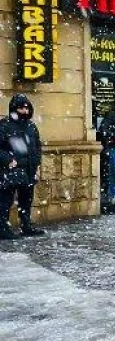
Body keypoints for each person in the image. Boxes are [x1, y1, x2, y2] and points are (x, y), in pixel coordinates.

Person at [0, 94, 44, 239]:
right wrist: (8, 160)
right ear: (14, 108)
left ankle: (26, 225)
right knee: (6, 200)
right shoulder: (5, 125)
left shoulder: (31, 126)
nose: (24, 111)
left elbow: (37, 146)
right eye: (21, 107)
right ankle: (3, 228)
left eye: (26, 108)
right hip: (11, 169)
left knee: (26, 200)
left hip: (29, 169)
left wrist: (37, 164)